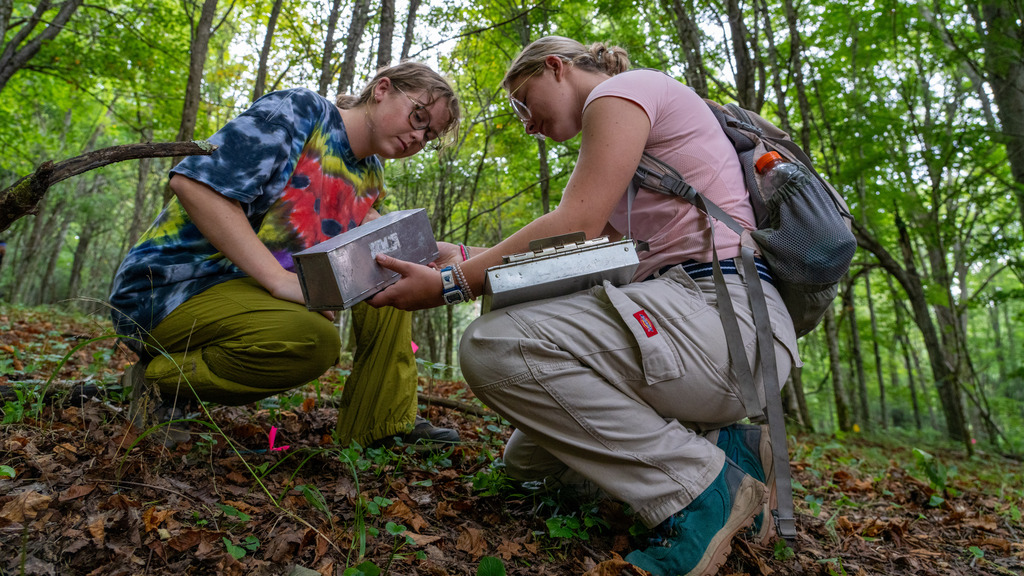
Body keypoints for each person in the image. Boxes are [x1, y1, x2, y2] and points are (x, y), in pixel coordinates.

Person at [368, 37, 800, 576]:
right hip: (714, 332)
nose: (526, 124)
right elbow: (579, 252)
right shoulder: (633, 150)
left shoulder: (622, 94)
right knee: (527, 463)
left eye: (524, 104)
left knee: (493, 347)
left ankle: (701, 490)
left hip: (722, 314)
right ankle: (726, 446)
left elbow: (574, 222)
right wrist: (463, 257)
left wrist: (454, 283)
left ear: (556, 67)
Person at [109, 61, 463, 450]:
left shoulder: (371, 173)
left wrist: (430, 255)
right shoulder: (301, 111)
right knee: (313, 341)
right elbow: (194, 185)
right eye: (418, 116)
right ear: (382, 89)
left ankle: (381, 423)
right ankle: (158, 381)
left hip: (247, 298)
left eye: (428, 135)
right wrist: (279, 281)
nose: (417, 137)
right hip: (170, 290)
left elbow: (359, 240)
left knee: (394, 273)